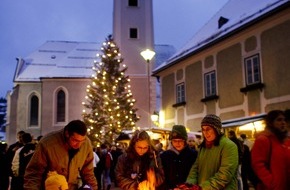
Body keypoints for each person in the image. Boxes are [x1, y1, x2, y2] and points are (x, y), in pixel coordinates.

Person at [24, 120, 98, 190]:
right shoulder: (47, 143)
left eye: (82, 141)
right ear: (67, 134)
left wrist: (93, 188)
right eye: (75, 140)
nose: (79, 145)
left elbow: (88, 173)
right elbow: (34, 173)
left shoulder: (86, 144)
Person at [184, 114, 239, 189]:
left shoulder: (229, 146)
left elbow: (224, 175)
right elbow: (196, 168)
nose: (205, 132)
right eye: (203, 129)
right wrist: (189, 184)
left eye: (208, 129)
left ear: (216, 129)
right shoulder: (203, 147)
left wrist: (201, 188)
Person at [251, 110, 290, 190]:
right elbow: (258, 165)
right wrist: (272, 183)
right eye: (279, 120)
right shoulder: (263, 140)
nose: (283, 122)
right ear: (271, 123)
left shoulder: (286, 141)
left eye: (284, 120)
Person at [160, 125, 197, 189]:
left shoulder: (193, 155)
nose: (177, 143)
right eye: (174, 141)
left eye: (180, 140)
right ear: (171, 141)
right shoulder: (164, 156)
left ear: (185, 141)